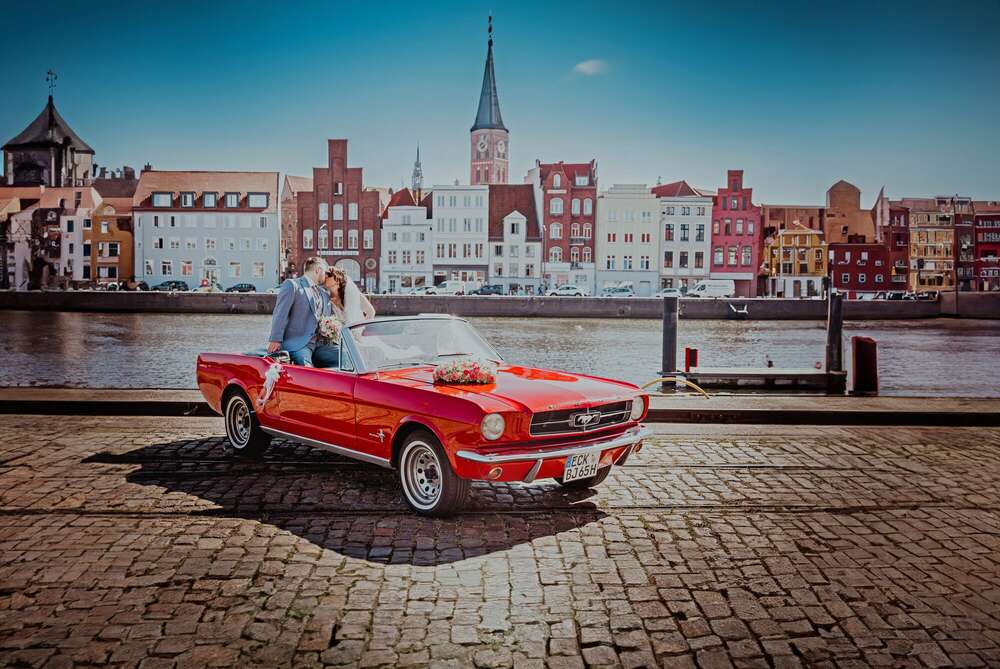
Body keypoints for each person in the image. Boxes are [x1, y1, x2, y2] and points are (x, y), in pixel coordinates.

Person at [267, 257, 331, 366]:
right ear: (318, 270)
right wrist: (275, 340)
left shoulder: (323, 293)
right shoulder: (293, 285)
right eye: (325, 272)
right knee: (307, 370)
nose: (325, 276)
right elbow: (280, 314)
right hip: (299, 345)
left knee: (345, 358)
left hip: (320, 345)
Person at [313, 267, 376, 368]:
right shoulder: (326, 299)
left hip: (357, 335)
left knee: (371, 353)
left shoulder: (353, 294)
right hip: (339, 339)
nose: (325, 277)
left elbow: (370, 312)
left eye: (328, 276)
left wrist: (361, 329)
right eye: (328, 287)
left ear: (338, 281)